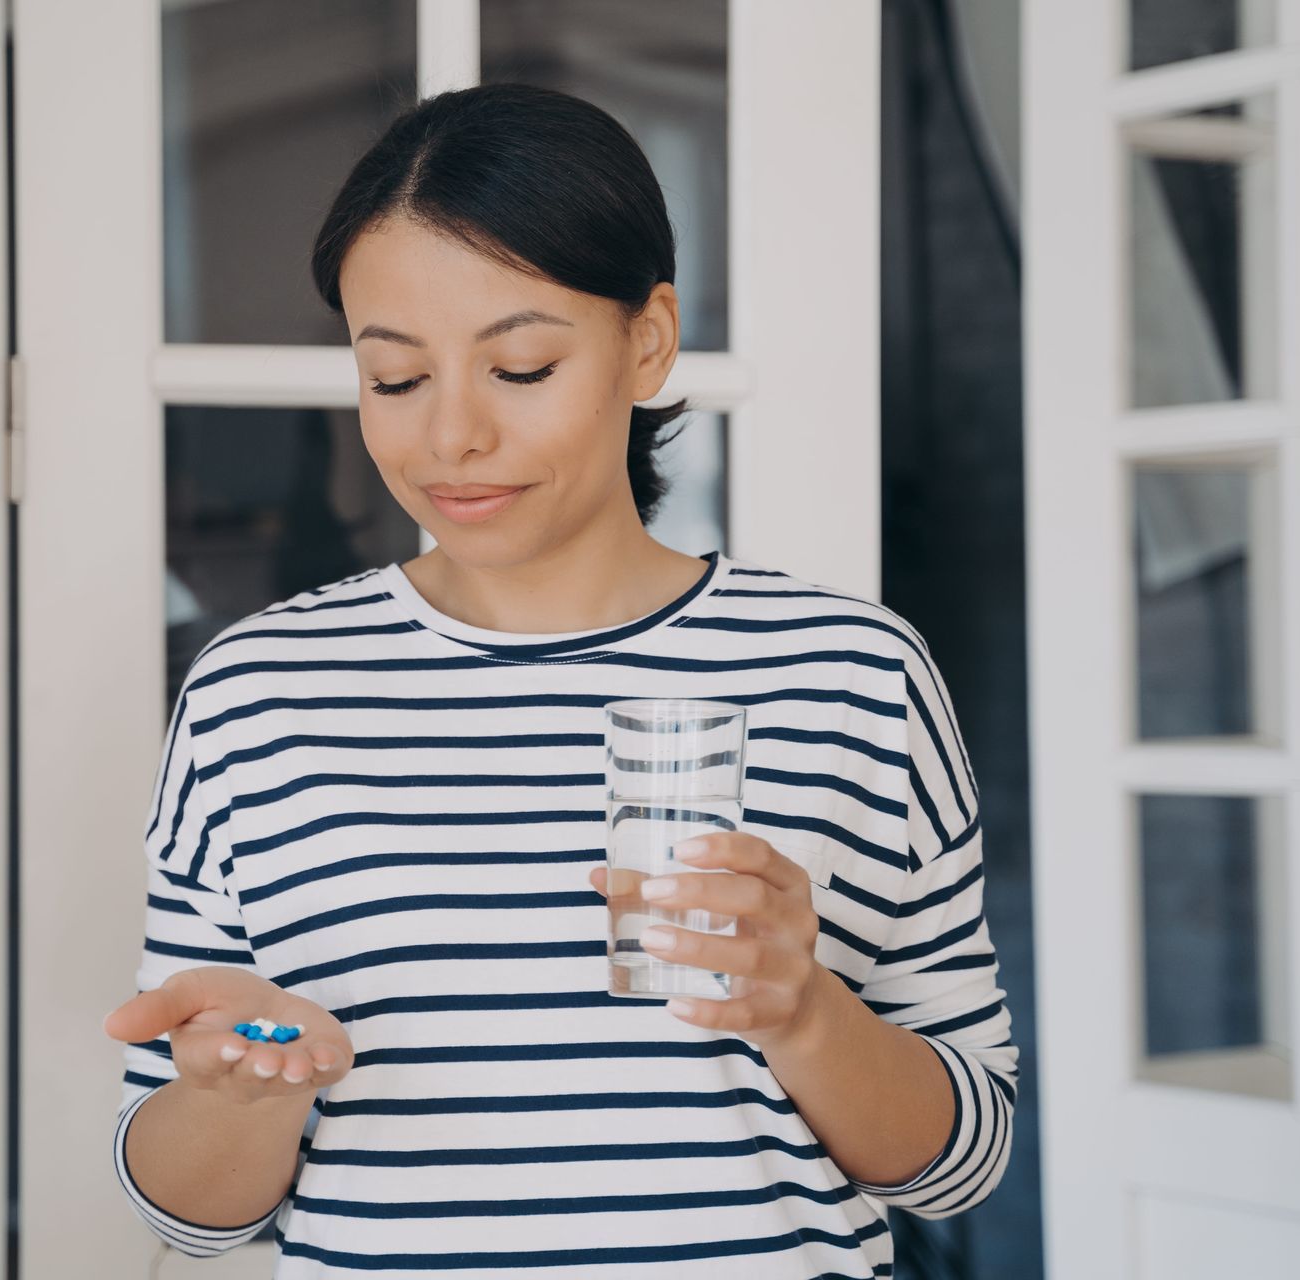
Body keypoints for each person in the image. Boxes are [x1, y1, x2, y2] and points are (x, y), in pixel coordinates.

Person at [102, 82, 1018, 1277]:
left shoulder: (848, 672)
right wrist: (241, 1095)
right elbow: (186, 1213)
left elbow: (965, 1161)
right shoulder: (258, 693)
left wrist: (804, 1010)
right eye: (395, 378)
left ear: (648, 338)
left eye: (521, 365)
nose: (451, 438)